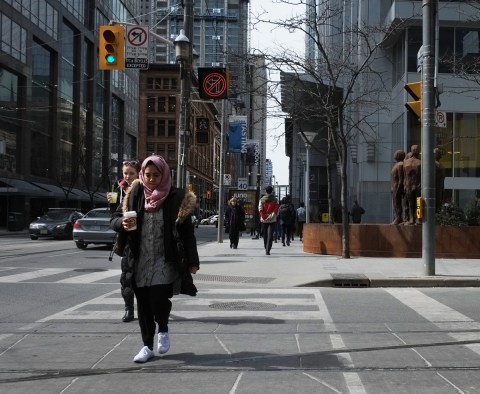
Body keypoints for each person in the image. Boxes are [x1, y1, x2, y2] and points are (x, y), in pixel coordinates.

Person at [110, 155, 199, 363]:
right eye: (147, 175)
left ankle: (164, 328)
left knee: (158, 299)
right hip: (139, 259)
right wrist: (121, 222)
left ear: (164, 174)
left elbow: (187, 233)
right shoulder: (134, 193)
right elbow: (114, 218)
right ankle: (147, 346)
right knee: (143, 304)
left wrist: (192, 261)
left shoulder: (176, 197)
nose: (151, 179)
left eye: (156, 175)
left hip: (164, 259)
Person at [108, 160, 141, 323]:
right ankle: (129, 308)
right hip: (129, 243)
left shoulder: (147, 191)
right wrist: (121, 223)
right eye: (125, 173)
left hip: (148, 242)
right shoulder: (120, 191)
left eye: (131, 173)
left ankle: (148, 309)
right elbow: (113, 218)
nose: (127, 176)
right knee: (127, 277)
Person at [258, 186, 279, 255]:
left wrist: (264, 217)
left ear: (266, 191)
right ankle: (268, 249)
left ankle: (265, 246)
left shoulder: (261, 200)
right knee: (270, 235)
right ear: (272, 191)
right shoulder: (275, 200)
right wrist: (271, 216)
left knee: (265, 235)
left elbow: (260, 209)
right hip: (272, 220)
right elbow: (276, 210)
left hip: (264, 220)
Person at [403, 144, 421, 225]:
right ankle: (418, 218)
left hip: (408, 185)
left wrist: (404, 185)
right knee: (418, 202)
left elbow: (404, 176)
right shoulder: (421, 162)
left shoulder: (406, 162)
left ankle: (411, 219)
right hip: (418, 185)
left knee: (410, 204)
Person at [391, 150, 406, 225]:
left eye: (396, 154)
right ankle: (398, 216)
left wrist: (399, 188)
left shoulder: (400, 165)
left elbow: (401, 178)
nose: (395, 155)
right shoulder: (396, 164)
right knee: (395, 202)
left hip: (397, 186)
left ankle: (399, 217)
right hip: (394, 186)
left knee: (398, 202)